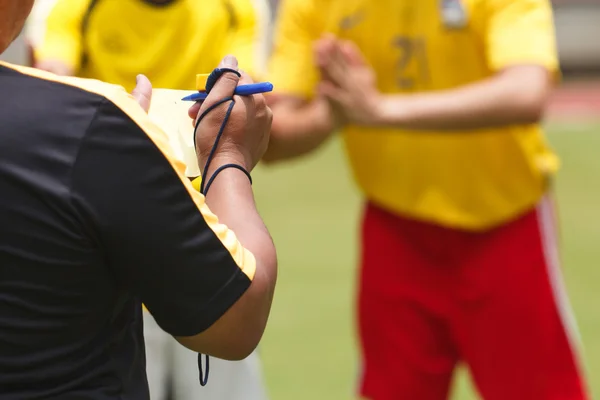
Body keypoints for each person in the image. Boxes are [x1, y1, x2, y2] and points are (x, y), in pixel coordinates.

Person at [266, 0, 589, 399]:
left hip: (506, 226)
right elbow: (273, 136)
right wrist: (333, 115)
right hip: (395, 228)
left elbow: (527, 91)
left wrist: (382, 109)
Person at [0, 1, 277, 398]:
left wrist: (114, 140)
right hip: (179, 260)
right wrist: (227, 155)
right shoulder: (94, 121)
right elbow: (240, 319)